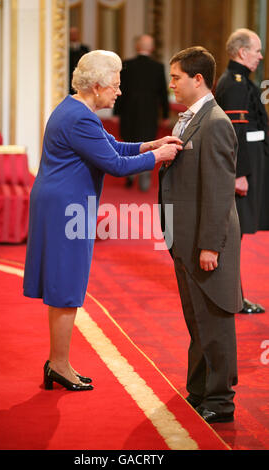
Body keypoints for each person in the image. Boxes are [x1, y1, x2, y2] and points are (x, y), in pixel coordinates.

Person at [23, 50, 182, 392]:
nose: (119, 91)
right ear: (96, 86)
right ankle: (60, 365)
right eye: (115, 84)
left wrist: (150, 144)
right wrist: (159, 156)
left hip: (61, 202)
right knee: (66, 287)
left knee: (62, 284)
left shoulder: (76, 110)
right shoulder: (80, 118)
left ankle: (58, 362)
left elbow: (113, 147)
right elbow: (115, 166)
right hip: (67, 208)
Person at [159, 46, 242, 423]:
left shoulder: (216, 122)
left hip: (205, 242)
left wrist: (211, 245)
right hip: (185, 238)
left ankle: (220, 402)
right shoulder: (193, 118)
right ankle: (199, 391)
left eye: (176, 77)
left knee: (215, 321)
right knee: (197, 322)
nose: (171, 84)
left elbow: (220, 192)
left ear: (198, 79)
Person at [215, 28, 269, 314]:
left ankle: (234, 296)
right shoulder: (235, 83)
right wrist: (239, 173)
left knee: (236, 236)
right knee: (232, 236)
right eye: (256, 50)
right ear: (241, 52)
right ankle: (232, 298)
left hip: (251, 164)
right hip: (243, 169)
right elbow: (235, 132)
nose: (260, 56)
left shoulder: (242, 81)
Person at [114, 34, 169, 191]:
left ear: (137, 47)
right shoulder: (158, 67)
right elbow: (163, 94)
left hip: (128, 110)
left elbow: (120, 89)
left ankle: (129, 173)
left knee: (129, 142)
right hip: (149, 112)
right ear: (151, 48)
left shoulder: (127, 64)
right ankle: (144, 179)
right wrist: (164, 114)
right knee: (148, 143)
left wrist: (116, 112)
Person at [68, 26, 89, 94]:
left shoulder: (84, 49)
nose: (73, 36)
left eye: (75, 34)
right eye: (71, 34)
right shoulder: (65, 49)